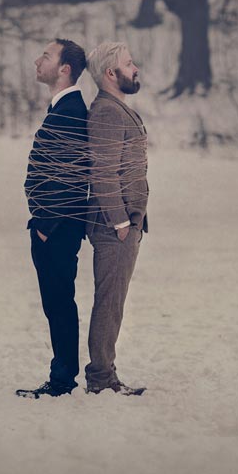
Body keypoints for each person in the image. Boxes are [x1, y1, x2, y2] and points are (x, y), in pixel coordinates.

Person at [16, 39, 89, 398]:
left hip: (57, 229)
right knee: (56, 303)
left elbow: (72, 177)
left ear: (64, 69)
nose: (37, 60)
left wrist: (45, 226)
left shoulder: (72, 111)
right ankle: (62, 375)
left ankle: (62, 380)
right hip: (53, 226)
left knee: (59, 303)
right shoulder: (64, 108)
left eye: (46, 56)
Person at [84, 41, 149, 396]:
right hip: (114, 226)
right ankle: (101, 379)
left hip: (123, 223)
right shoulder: (108, 112)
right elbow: (103, 172)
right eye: (129, 63)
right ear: (111, 74)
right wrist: (121, 222)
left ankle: (104, 374)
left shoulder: (116, 107)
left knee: (114, 301)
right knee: (109, 301)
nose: (135, 67)